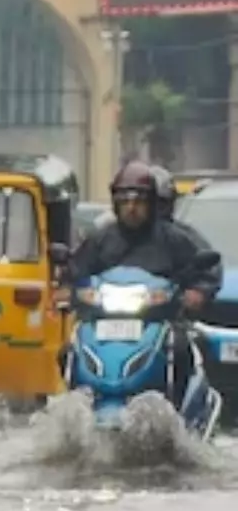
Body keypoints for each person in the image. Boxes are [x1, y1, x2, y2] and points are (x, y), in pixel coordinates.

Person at [66, 160, 221, 406]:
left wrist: (197, 292)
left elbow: (207, 266)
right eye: (125, 202)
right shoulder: (100, 239)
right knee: (67, 351)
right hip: (104, 321)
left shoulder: (173, 238)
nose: (132, 208)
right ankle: (74, 409)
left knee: (180, 350)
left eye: (138, 202)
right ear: (115, 205)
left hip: (158, 320)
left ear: (151, 204)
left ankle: (177, 412)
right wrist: (68, 287)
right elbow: (76, 270)